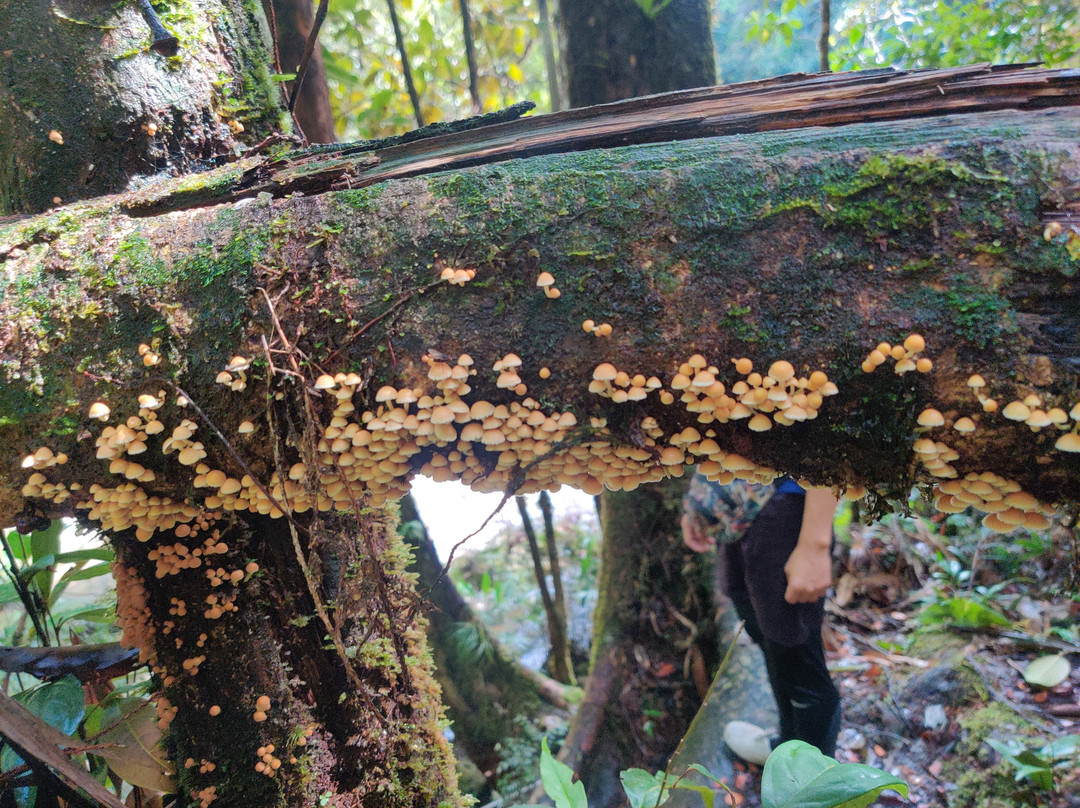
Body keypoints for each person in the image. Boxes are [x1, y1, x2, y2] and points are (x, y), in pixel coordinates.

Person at [681, 472, 841, 765]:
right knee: (765, 633)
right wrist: (700, 502)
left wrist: (815, 543)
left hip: (789, 501)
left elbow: (837, 434)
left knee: (799, 656)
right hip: (738, 502)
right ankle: (789, 746)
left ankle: (810, 780)